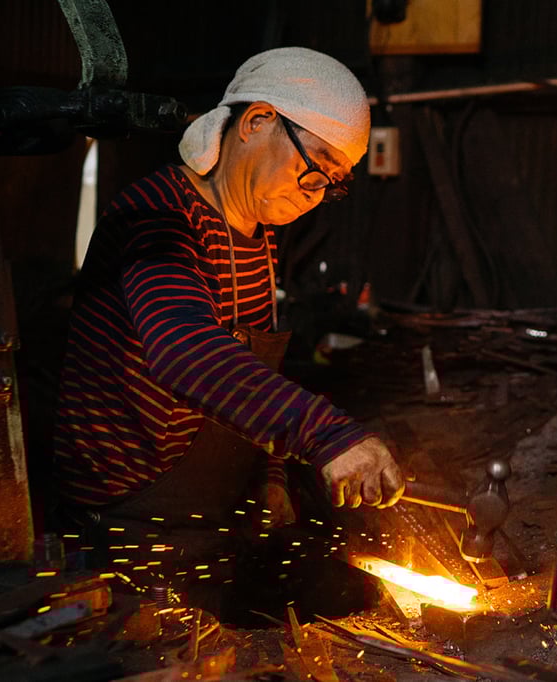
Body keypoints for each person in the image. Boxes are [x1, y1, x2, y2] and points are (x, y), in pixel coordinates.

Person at [50, 47, 405, 585]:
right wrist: (327, 434)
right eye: (314, 169)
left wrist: (271, 476)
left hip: (203, 519)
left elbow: (249, 374)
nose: (315, 195)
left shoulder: (258, 238)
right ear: (257, 121)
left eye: (331, 184)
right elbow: (187, 352)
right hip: (122, 528)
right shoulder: (156, 218)